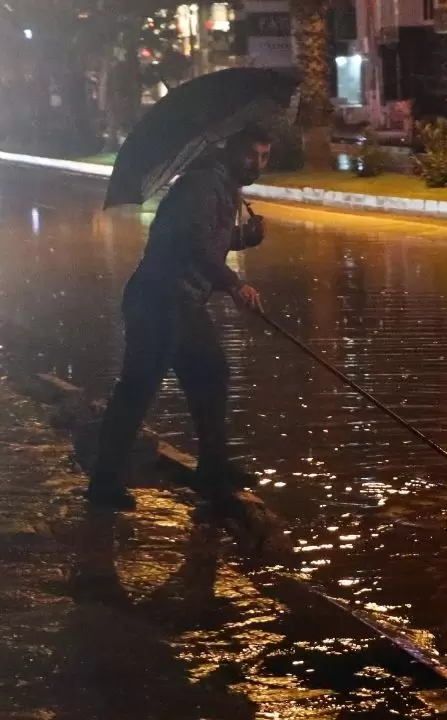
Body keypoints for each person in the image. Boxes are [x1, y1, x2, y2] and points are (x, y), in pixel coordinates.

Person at [87, 125, 271, 511]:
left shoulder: (225, 187)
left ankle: (213, 468)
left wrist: (244, 237)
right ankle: (104, 483)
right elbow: (194, 242)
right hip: (158, 299)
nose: (257, 164)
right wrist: (234, 284)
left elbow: (211, 239)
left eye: (264, 157)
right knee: (138, 389)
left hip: (184, 302)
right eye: (251, 155)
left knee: (211, 374)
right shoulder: (203, 185)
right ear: (231, 149)